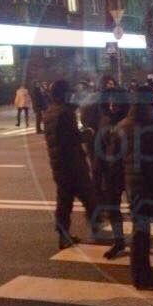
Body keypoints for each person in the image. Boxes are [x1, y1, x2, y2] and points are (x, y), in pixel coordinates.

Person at [117, 85, 153, 287]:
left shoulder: (122, 126)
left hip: (135, 186)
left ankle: (140, 276)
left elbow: (115, 160)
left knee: (140, 229)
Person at [43, 80, 99, 249]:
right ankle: (96, 229)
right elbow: (72, 138)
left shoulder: (50, 112)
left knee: (64, 202)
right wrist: (88, 134)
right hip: (73, 165)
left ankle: (63, 236)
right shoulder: (64, 113)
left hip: (59, 164)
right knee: (89, 197)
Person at [93, 86, 130, 260]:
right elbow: (99, 148)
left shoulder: (129, 121)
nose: (113, 104)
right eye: (110, 100)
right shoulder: (105, 121)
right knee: (113, 208)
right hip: (111, 172)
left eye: (116, 101)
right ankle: (119, 240)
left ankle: (141, 242)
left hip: (129, 171)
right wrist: (97, 173)